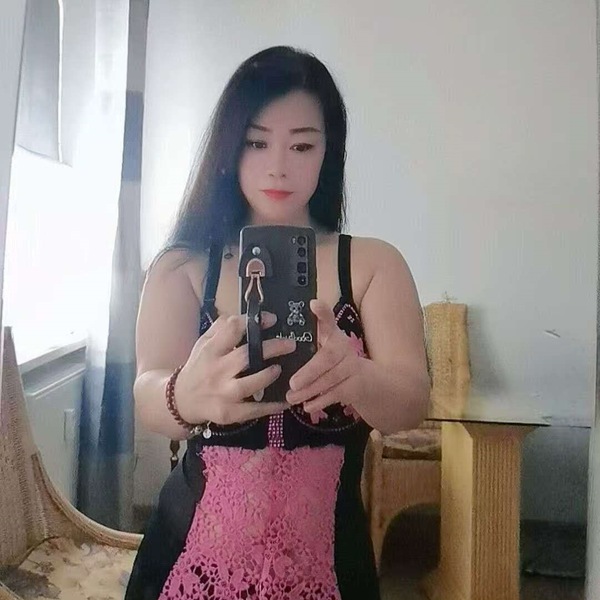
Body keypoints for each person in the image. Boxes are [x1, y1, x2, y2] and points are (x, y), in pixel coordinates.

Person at [125, 46, 430, 600]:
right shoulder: (181, 267)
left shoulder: (373, 265)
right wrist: (183, 394)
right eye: (257, 142)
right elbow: (147, 391)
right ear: (229, 146)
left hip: (330, 565)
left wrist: (358, 378)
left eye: (302, 145)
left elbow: (411, 401)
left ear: (328, 151)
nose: (278, 166)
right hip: (189, 562)